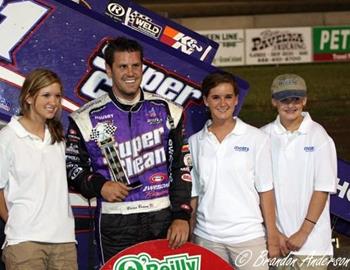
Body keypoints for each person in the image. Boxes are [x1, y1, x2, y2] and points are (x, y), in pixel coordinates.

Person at [65, 37, 192, 264]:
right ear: (109, 70)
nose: (130, 72)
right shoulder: (88, 119)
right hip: (116, 221)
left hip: (161, 218)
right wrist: (100, 185)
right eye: (123, 66)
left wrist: (181, 215)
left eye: (135, 66)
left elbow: (181, 167)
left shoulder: (168, 111)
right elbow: (73, 168)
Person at [189, 72, 280, 269]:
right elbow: (195, 195)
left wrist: (272, 236)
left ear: (236, 99)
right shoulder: (195, 142)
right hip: (207, 238)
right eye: (216, 97)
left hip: (248, 237)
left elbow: (266, 192)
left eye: (228, 97)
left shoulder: (257, 138)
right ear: (206, 100)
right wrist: (190, 236)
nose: (223, 103)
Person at [0, 68, 77, 270]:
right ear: (28, 97)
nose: (53, 102)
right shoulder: (7, 138)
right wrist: (19, 223)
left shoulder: (59, 139)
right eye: (46, 95)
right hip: (24, 244)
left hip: (65, 242)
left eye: (58, 96)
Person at [261, 74, 337, 270]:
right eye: (284, 100)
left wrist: (303, 232)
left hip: (312, 245)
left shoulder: (319, 136)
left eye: (296, 99)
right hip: (277, 243)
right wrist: (274, 233)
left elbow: (322, 189)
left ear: (304, 100)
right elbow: (260, 190)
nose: (290, 105)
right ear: (273, 102)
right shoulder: (262, 136)